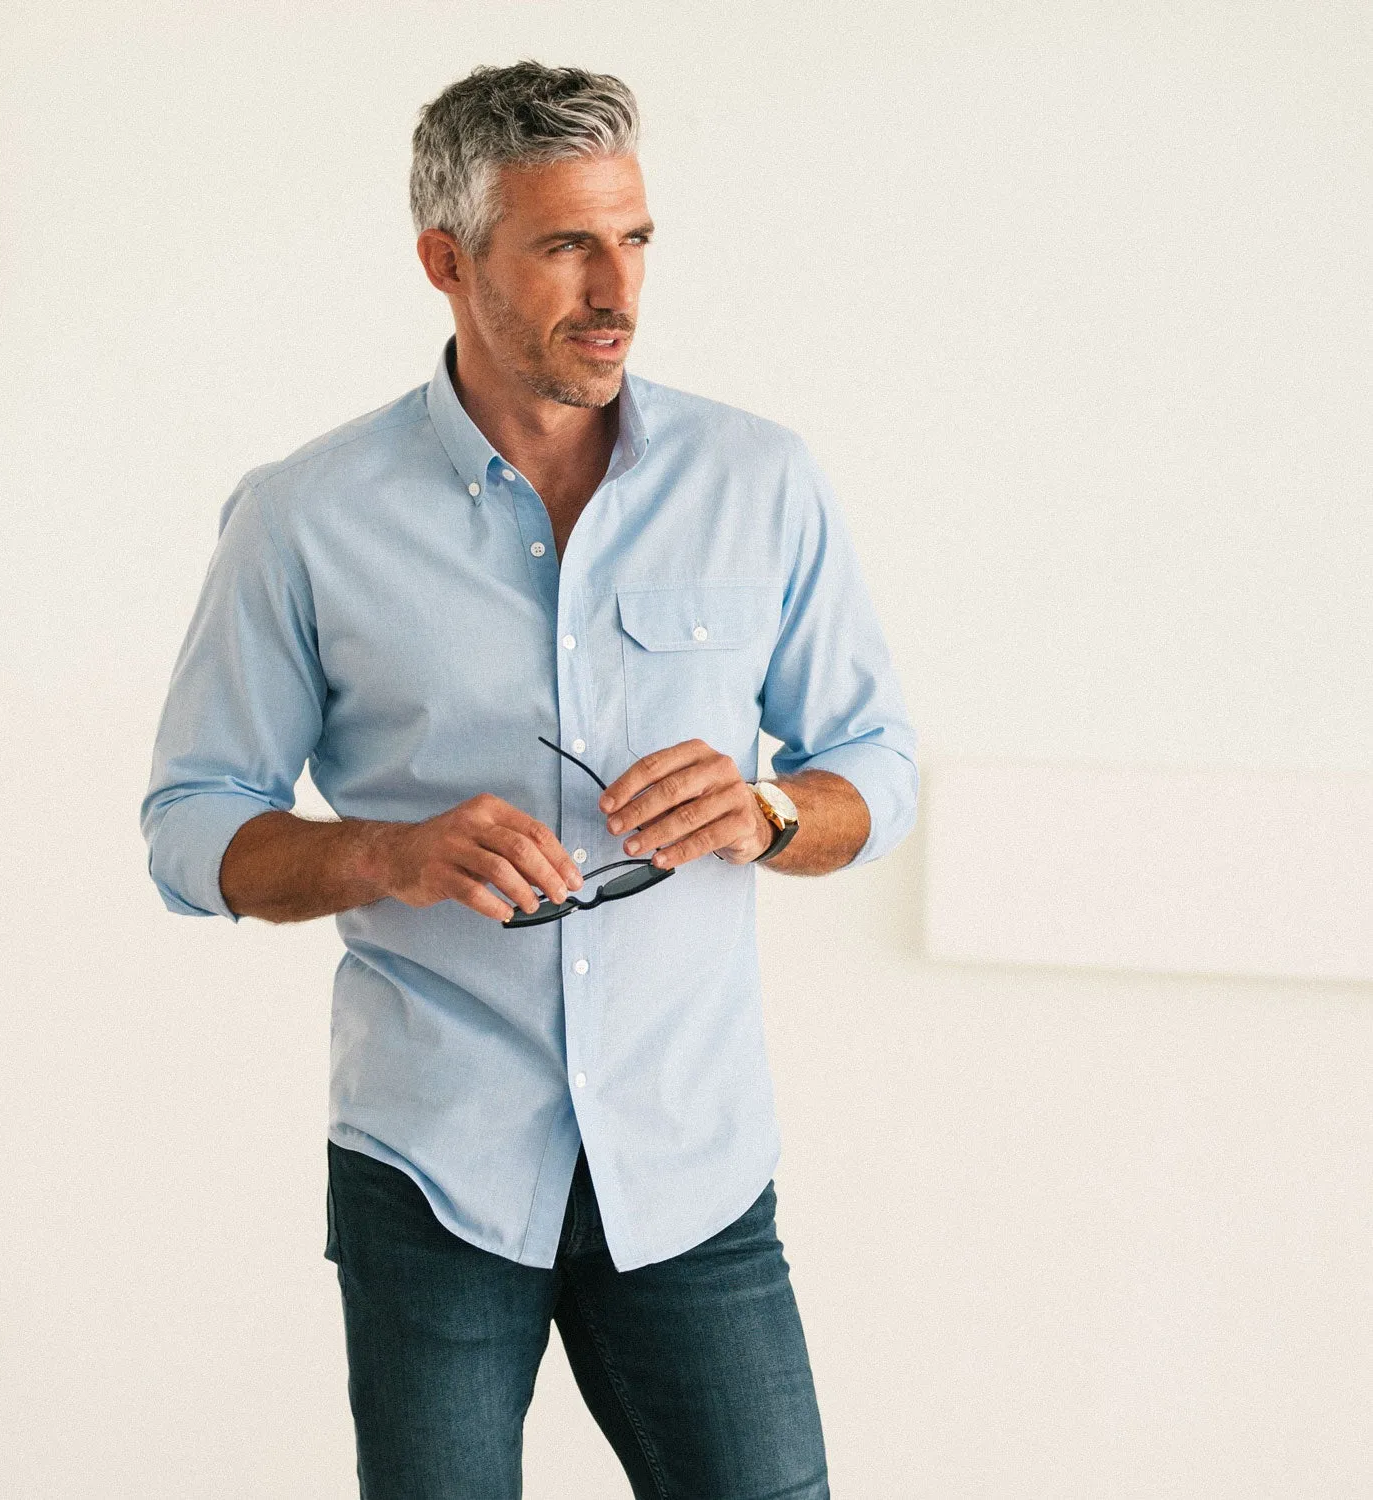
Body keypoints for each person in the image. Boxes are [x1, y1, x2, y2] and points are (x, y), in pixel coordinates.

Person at [141, 58, 917, 1500]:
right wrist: (383, 855)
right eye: (564, 244)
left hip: (690, 1168)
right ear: (447, 261)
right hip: (434, 1171)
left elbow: (875, 765)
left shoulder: (765, 481)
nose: (614, 286)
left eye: (633, 238)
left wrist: (770, 813)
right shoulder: (304, 517)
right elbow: (190, 830)